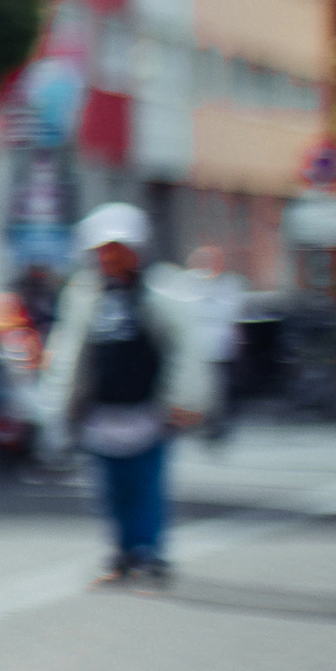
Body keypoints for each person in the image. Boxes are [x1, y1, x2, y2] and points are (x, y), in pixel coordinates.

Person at [37, 202, 212, 585]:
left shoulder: (162, 292)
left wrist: (185, 400)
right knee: (111, 489)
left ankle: (148, 551)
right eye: (103, 250)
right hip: (102, 412)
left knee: (146, 486)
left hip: (148, 410)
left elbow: (184, 351)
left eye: (117, 248)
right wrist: (63, 403)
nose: (109, 257)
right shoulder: (85, 295)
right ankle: (122, 551)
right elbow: (70, 351)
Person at [177, 242, 247, 449]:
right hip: (195, 348)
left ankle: (217, 426)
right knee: (197, 387)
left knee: (219, 389)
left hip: (219, 348)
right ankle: (199, 423)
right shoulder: (187, 283)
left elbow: (232, 311)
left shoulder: (228, 284)